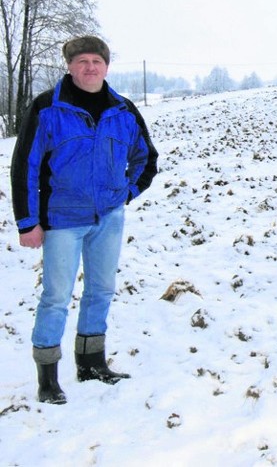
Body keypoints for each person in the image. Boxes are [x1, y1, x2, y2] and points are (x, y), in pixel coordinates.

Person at [10, 36, 159, 403]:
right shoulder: (47, 108)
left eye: (97, 60)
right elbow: (24, 166)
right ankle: (47, 377)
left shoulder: (123, 111)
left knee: (101, 290)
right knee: (56, 297)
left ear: (106, 67)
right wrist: (27, 221)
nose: (90, 67)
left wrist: (124, 194)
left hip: (108, 218)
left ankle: (91, 363)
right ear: (69, 66)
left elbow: (147, 159)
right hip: (63, 220)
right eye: (82, 61)